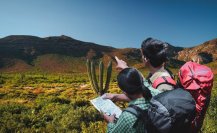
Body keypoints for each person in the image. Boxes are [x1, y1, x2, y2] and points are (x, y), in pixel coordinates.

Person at [105, 37, 175, 102]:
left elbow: (151, 105)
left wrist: (126, 69)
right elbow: (144, 97)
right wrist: (116, 96)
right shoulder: (153, 75)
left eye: (141, 54)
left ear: (146, 59)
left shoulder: (164, 84)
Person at [102, 68, 160, 133]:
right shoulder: (156, 93)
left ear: (124, 91)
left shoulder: (128, 117)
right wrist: (116, 96)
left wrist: (110, 122)